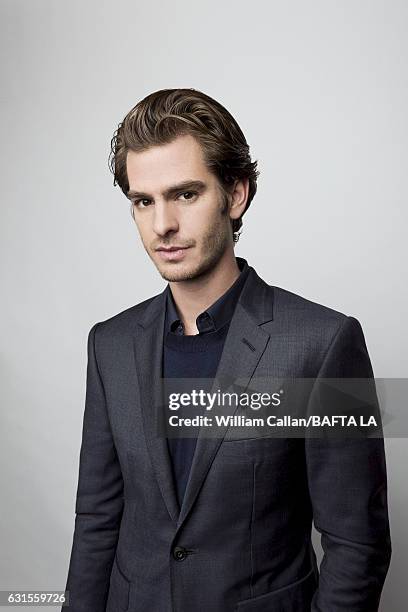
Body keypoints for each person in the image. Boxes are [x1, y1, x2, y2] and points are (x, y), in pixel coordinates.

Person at [63, 88, 391, 611]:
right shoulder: (110, 345)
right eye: (143, 201)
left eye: (185, 194)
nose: (162, 225)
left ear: (235, 194)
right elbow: (98, 520)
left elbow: (357, 545)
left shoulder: (324, 343)